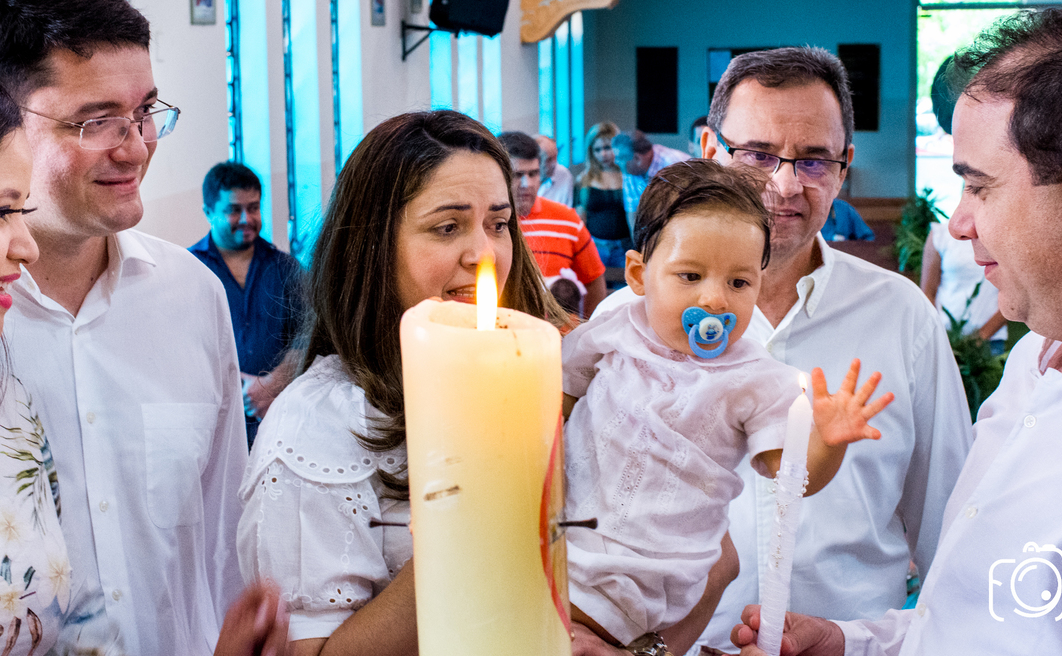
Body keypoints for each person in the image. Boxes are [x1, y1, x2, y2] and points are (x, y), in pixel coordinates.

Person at [237, 110, 734, 656]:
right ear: (373, 246)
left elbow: (711, 561)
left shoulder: (554, 375)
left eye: (499, 225)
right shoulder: (319, 428)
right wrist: (475, 511)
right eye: (447, 227)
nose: (485, 259)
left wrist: (638, 650)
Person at [730, 5, 1062, 656]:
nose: (954, 225)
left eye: (978, 187)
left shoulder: (901, 316)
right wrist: (849, 642)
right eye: (759, 153)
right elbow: (962, 615)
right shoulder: (1032, 361)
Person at [0, 60, 286, 656]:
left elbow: (66, 631)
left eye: (144, 113)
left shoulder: (3, 409)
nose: (23, 246)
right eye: (3, 211)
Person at [0, 0, 248, 656]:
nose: (137, 145)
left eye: (145, 111)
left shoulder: (191, 296)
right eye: (96, 122)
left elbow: (225, 534)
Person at [697, 47, 972, 649]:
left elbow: (954, 543)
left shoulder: (902, 318)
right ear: (711, 152)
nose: (785, 184)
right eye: (759, 155)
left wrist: (855, 639)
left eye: (814, 161)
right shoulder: (635, 324)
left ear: (844, 167)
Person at [562, 160, 891, 653]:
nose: (715, 300)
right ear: (637, 273)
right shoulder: (614, 330)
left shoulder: (754, 378)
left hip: (654, 577)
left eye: (739, 283)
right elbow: (559, 396)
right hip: (562, 539)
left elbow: (791, 475)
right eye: (690, 276)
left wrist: (827, 439)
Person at [191, 161, 306, 445]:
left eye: (253, 207)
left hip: (279, 425)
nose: (246, 218)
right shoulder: (188, 270)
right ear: (209, 212)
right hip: (209, 428)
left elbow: (310, 335)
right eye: (233, 210)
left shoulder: (285, 267)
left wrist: (271, 384)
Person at [498, 131, 607, 316]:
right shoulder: (487, 225)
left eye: (533, 174)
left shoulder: (567, 219)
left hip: (558, 337)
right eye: (517, 175)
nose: (527, 184)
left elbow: (594, 280)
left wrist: (586, 331)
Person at [920, 220, 1006, 350]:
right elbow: (928, 293)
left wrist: (982, 336)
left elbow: (1016, 294)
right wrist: (938, 335)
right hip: (945, 339)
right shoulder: (940, 234)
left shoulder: (1003, 234)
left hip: (991, 341)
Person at [576, 122, 633, 287]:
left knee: (626, 295)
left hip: (623, 248)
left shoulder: (628, 176)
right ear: (591, 152)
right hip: (595, 247)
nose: (603, 154)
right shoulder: (584, 179)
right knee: (596, 296)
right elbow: (581, 218)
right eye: (597, 150)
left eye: (607, 148)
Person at [537, 133, 575, 207]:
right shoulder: (523, 178)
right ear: (536, 160)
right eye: (549, 159)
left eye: (555, 157)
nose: (554, 164)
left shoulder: (564, 175)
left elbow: (567, 211)